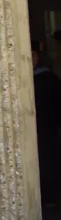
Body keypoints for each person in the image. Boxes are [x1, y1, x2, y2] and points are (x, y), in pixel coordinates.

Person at [33, 40, 61, 208]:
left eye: (34, 55)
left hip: (46, 130)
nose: (31, 59)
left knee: (47, 162)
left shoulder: (48, 78)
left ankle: (49, 197)